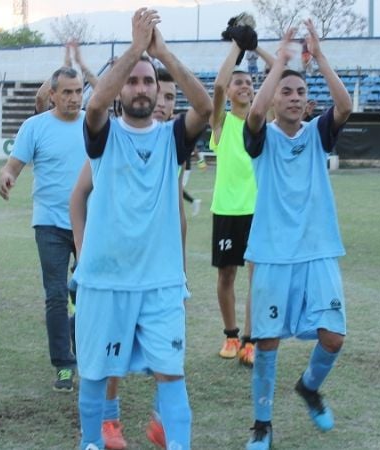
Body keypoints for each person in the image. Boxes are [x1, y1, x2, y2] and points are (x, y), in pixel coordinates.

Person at [72, 8, 211, 450]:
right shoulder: (104, 133)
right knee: (95, 373)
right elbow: (94, 104)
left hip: (160, 283)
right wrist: (135, 50)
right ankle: (92, 443)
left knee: (172, 372)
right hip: (105, 280)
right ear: (119, 91)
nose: (140, 88)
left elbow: (206, 107)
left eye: (148, 80)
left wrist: (161, 52)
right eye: (131, 80)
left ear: (157, 89)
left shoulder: (172, 137)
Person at [243, 19, 352, 450]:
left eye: (300, 93)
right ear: (274, 101)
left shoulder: (317, 134)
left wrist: (318, 59)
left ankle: (309, 386)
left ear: (308, 103)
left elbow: (343, 106)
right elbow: (253, 112)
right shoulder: (261, 137)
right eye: (285, 92)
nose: (293, 98)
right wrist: (281, 60)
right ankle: (262, 424)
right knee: (267, 342)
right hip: (271, 253)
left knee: (334, 337)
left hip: (318, 250)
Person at [0, 65, 86, 392]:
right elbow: (13, 165)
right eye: (67, 92)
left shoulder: (94, 124)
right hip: (49, 222)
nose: (74, 98)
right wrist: (7, 176)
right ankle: (64, 364)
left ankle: (89, 350)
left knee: (88, 292)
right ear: (52, 95)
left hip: (88, 223)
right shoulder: (34, 127)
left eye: (78, 91)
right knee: (56, 295)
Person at [209, 38, 272, 366]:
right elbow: (219, 84)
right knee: (226, 276)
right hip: (227, 210)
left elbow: (278, 70)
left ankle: (250, 340)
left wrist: (256, 47)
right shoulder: (220, 123)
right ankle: (231, 335)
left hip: (258, 210)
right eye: (240, 82)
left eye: (249, 82)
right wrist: (237, 45)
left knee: (257, 277)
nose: (245, 86)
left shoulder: (261, 120)